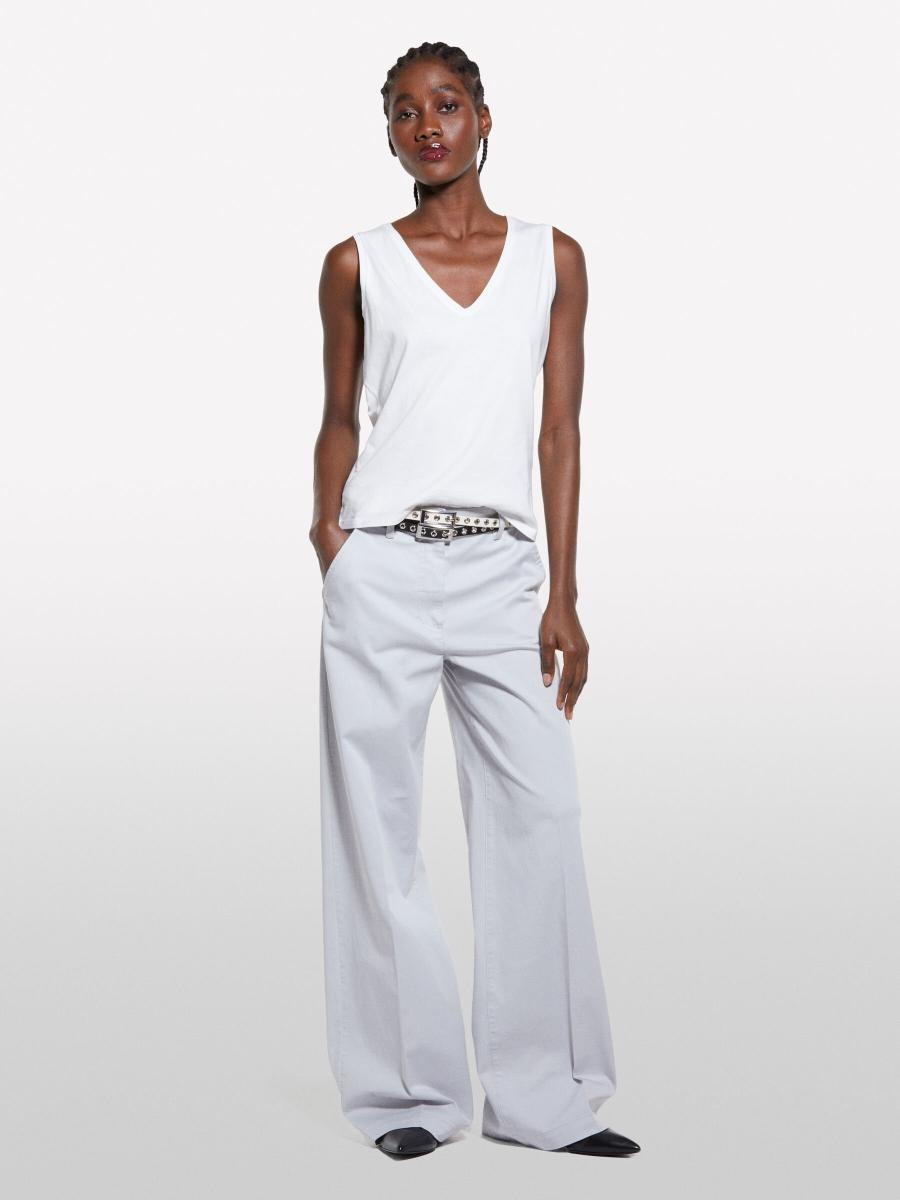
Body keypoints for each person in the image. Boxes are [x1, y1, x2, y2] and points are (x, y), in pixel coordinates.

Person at [309, 41, 641, 1161]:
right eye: (405, 113)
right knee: (378, 829)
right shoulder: (356, 263)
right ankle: (407, 1096)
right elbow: (340, 416)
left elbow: (560, 431)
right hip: (382, 566)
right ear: (390, 135)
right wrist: (331, 541)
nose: (428, 127)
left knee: (539, 816)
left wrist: (565, 592)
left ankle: (540, 1098)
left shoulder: (554, 257)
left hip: (503, 571)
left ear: (485, 119)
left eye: (446, 105)